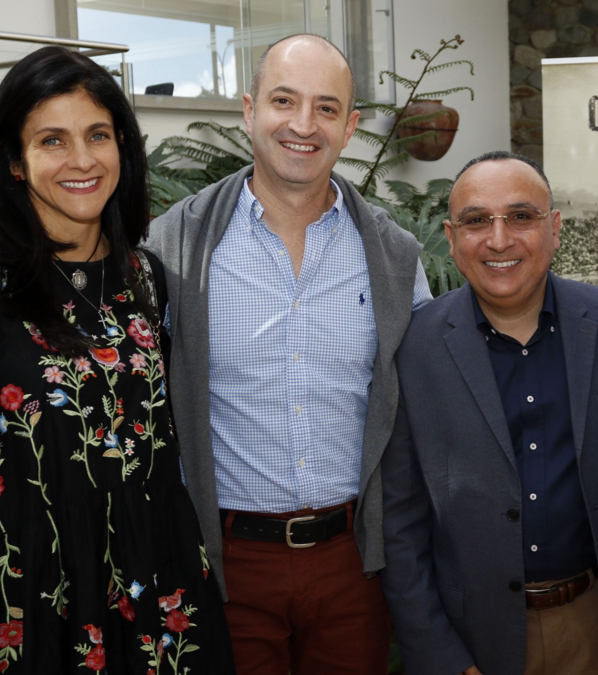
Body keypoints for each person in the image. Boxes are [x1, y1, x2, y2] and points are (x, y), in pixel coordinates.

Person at [0, 46, 234, 674]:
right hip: (17, 607)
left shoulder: (145, 278)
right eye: (52, 141)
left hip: (150, 598)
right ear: (14, 160)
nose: (82, 160)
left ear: (123, 145)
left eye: (98, 135)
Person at [143, 34, 431, 674]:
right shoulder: (174, 248)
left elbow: (423, 408)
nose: (304, 125)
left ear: (350, 126)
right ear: (250, 111)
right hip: (227, 565)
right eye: (283, 101)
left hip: (354, 564)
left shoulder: (394, 257)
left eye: (327, 108)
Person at [381, 151, 598, 675]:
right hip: (477, 639)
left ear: (554, 228)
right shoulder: (413, 349)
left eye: (521, 216)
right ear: (451, 238)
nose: (499, 239)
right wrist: (441, 657)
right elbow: (400, 523)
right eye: (477, 220)